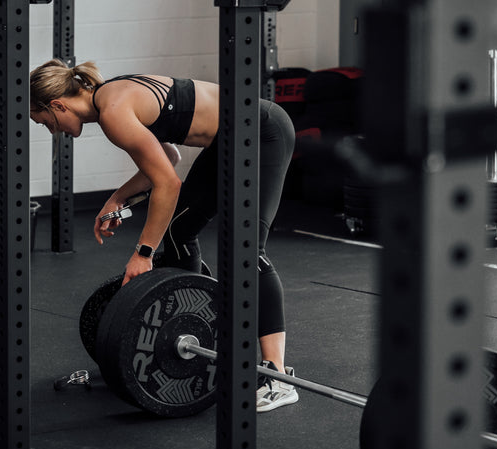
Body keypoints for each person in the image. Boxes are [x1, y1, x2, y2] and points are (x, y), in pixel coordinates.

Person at [29, 58, 298, 412]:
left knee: (248, 251)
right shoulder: (111, 98)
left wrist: (142, 253)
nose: (54, 130)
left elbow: (167, 183)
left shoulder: (112, 111)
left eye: (46, 121)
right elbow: (167, 157)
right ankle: (197, 320)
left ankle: (277, 376)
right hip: (227, 142)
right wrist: (117, 198)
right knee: (176, 233)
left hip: (262, 132)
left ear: (58, 104)